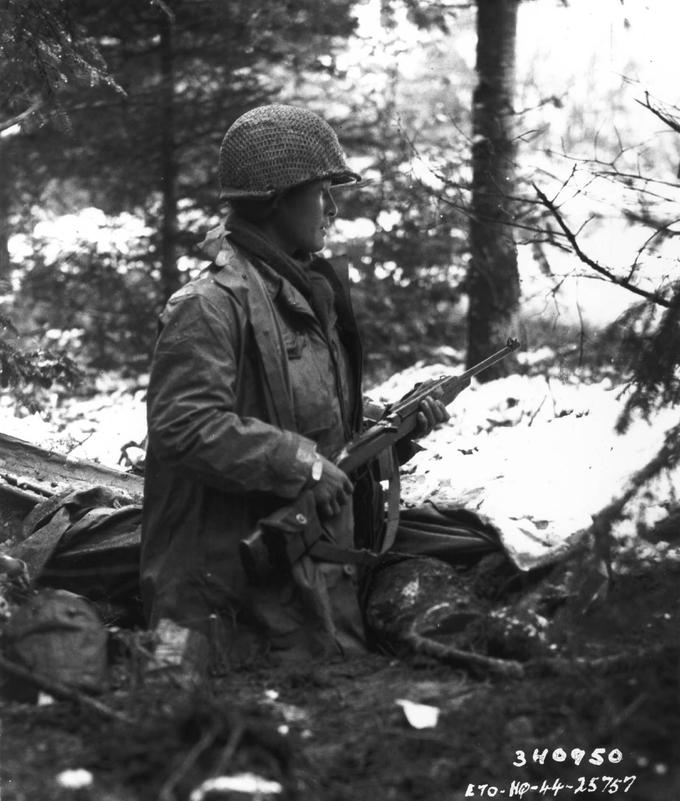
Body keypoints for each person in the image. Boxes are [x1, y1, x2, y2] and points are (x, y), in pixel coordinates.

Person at [140, 104, 448, 670]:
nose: (332, 207)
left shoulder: (301, 295)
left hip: (309, 587)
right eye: (322, 190)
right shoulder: (207, 306)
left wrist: (390, 428)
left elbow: (312, 420)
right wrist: (299, 462)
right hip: (228, 601)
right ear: (277, 196)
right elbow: (184, 427)